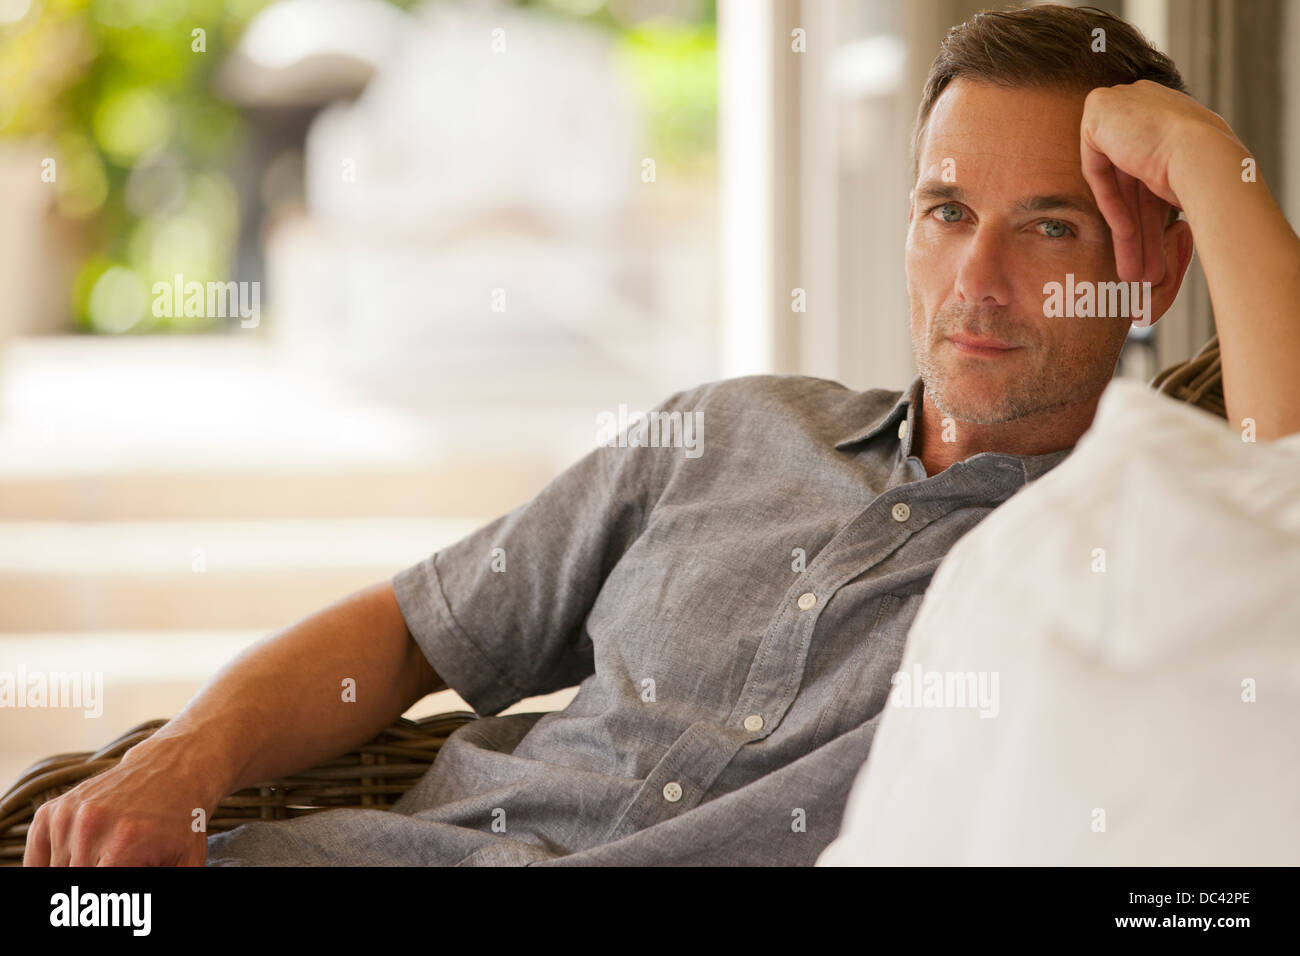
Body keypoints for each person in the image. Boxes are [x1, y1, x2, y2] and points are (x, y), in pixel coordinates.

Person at [25, 4, 1299, 866]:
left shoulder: (1136, 552)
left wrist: (1207, 161)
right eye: (946, 209)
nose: (975, 278)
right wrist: (180, 758)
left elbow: (1285, 494)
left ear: (1151, 261)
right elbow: (408, 627)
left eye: (1049, 226)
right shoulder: (731, 427)